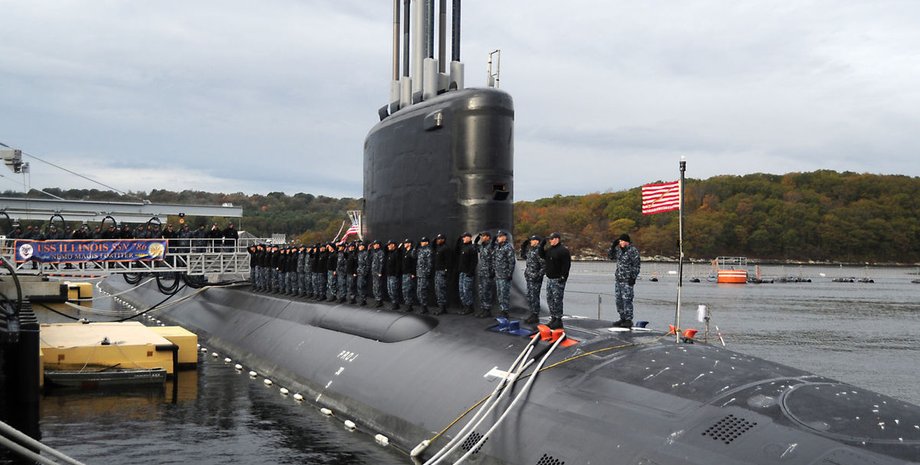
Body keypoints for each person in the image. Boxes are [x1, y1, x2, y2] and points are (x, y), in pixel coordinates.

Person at [608, 233, 641, 328]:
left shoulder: (632, 251)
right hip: (619, 279)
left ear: (627, 242)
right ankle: (622, 317)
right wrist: (613, 246)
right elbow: (610, 256)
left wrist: (633, 277)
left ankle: (628, 319)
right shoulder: (618, 250)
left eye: (622, 241)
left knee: (627, 300)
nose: (621, 243)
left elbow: (636, 265)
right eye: (620, 241)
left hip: (627, 280)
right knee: (619, 300)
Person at [540, 232, 571, 330]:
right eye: (550, 239)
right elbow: (541, 255)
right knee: (550, 299)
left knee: (557, 300)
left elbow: (566, 265)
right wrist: (542, 245)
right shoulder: (550, 250)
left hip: (558, 279)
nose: (550, 240)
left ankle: (558, 320)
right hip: (550, 278)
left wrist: (563, 277)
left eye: (552, 239)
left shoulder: (563, 251)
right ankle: (553, 317)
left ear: (557, 239)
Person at [493, 230, 516, 319]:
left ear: (504, 237)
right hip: (498, 274)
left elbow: (511, 262)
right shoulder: (497, 247)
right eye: (497, 236)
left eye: (499, 236)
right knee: (499, 294)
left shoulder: (508, 247)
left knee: (504, 294)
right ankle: (502, 310)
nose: (498, 238)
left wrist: (510, 274)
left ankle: (505, 311)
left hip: (505, 275)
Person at [523, 235, 545, 324]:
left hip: (535, 278)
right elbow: (525, 257)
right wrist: (523, 247)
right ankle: (532, 313)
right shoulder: (531, 251)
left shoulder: (539, 252)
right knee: (530, 296)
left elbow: (544, 265)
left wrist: (538, 275)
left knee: (534, 296)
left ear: (537, 241)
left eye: (532, 240)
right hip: (529, 277)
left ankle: (535, 315)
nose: (531, 242)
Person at [475, 231, 495, 318]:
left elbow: (494, 259)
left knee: (487, 291)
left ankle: (488, 310)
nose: (482, 237)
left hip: (488, 272)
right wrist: (477, 240)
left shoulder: (491, 246)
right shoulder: (482, 246)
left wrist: (493, 271)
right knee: (482, 291)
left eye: (483, 236)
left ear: (488, 237)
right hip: (482, 272)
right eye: (482, 236)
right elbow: (476, 247)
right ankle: (483, 308)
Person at [457, 232, 477, 315]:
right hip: (462, 272)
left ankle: (470, 307)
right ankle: (465, 306)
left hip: (468, 273)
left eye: (465, 237)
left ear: (470, 238)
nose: (463, 238)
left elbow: (474, 261)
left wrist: (470, 272)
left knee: (467, 291)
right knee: (461, 291)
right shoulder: (463, 247)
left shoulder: (472, 248)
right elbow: (457, 247)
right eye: (463, 237)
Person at [432, 234, 451, 315]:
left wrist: (446, 271)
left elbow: (448, 261)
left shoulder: (445, 248)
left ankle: (442, 308)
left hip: (442, 272)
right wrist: (434, 239)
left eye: (439, 239)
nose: (437, 240)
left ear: (443, 239)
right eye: (437, 239)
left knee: (441, 290)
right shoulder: (438, 248)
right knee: (437, 289)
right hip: (437, 271)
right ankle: (441, 307)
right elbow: (432, 245)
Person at [415, 237, 433, 314]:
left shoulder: (428, 250)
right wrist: (415, 247)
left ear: (427, 242)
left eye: (423, 241)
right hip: (419, 273)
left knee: (423, 291)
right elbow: (413, 255)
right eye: (421, 241)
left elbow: (429, 263)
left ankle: (424, 307)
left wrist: (427, 273)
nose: (421, 243)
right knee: (419, 291)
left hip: (424, 274)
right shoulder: (420, 250)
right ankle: (422, 306)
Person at [384, 241, 402, 310]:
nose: (388, 246)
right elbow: (385, 248)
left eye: (389, 245)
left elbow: (398, 265)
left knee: (394, 290)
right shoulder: (389, 253)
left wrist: (396, 274)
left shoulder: (396, 253)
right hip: (389, 275)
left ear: (393, 245)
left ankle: (396, 304)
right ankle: (393, 302)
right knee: (389, 290)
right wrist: (388, 244)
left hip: (394, 275)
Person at [401, 239, 417, 312]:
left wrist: (413, 273)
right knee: (404, 290)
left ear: (409, 244)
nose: (404, 244)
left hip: (409, 274)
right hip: (404, 274)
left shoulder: (412, 252)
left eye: (406, 243)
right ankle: (407, 305)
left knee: (408, 290)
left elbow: (414, 263)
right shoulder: (406, 252)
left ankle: (410, 306)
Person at [370, 241, 386, 307]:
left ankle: (379, 301)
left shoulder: (380, 252)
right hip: (374, 272)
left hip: (378, 273)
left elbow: (382, 263)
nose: (374, 246)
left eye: (375, 244)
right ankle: (377, 299)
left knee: (378, 286)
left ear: (378, 245)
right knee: (375, 287)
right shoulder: (374, 252)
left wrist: (380, 272)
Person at [355, 241, 369, 306]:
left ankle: (363, 300)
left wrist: (365, 273)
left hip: (363, 273)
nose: (359, 247)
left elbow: (367, 264)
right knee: (359, 286)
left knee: (362, 286)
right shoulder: (359, 254)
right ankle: (361, 299)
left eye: (361, 246)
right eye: (359, 246)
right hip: (359, 272)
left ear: (364, 247)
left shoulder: (365, 254)